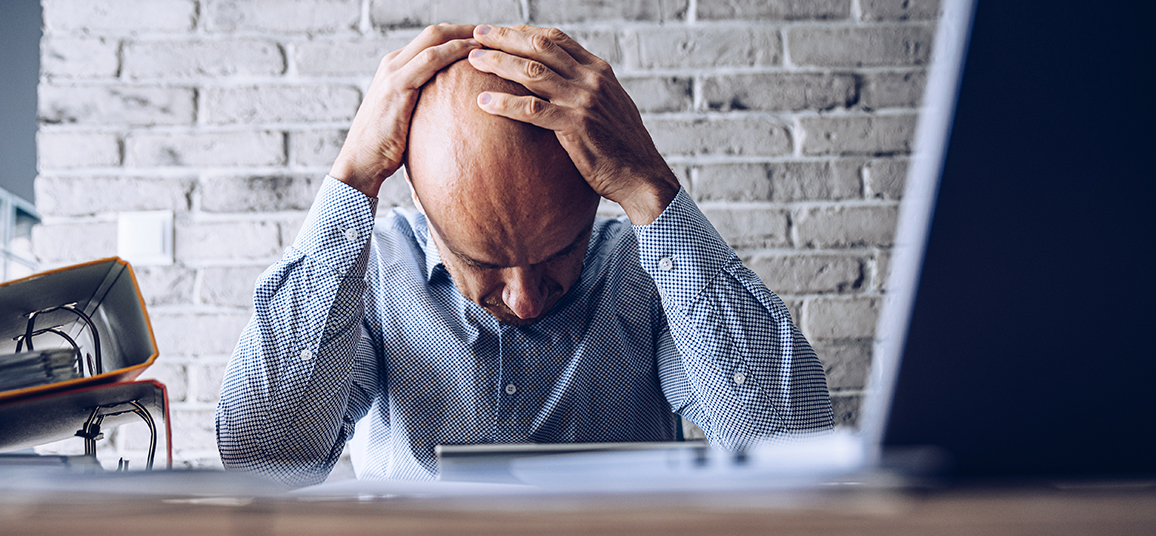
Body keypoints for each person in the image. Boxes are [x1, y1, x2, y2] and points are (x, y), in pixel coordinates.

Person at [217, 24, 834, 486]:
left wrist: (651, 192)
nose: (526, 298)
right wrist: (352, 181)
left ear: (597, 197)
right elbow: (263, 460)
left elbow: (793, 446)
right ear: (421, 205)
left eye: (559, 252)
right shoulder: (368, 277)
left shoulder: (649, 273)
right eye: (482, 261)